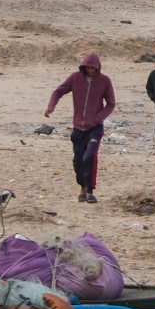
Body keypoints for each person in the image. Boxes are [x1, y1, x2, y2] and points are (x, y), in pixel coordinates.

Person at [46, 53, 117, 202]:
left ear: (97, 67)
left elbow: (111, 103)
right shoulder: (75, 78)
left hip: (95, 128)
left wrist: (98, 118)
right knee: (78, 161)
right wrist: (51, 106)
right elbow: (58, 92)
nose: (90, 70)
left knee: (89, 157)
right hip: (78, 128)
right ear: (83, 67)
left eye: (93, 68)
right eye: (88, 67)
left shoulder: (104, 81)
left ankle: (90, 192)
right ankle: (82, 187)